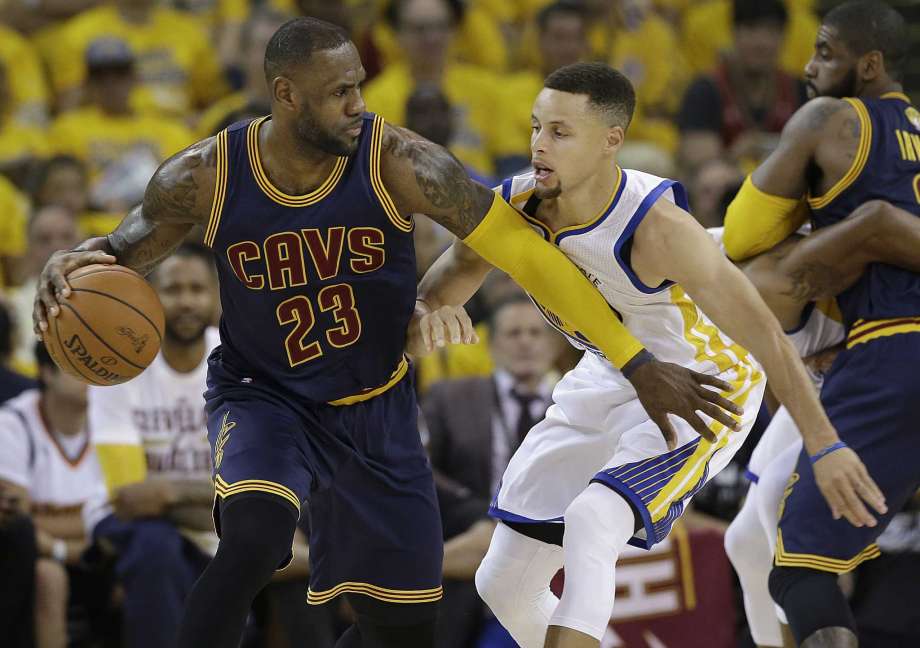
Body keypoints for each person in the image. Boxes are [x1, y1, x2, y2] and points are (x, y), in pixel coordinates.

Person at [33, 18, 735, 648]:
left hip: (378, 405)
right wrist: (67, 267)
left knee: (400, 633)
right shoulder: (206, 175)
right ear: (286, 94)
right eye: (339, 91)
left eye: (359, 86)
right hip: (265, 397)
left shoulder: (400, 160)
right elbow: (117, 253)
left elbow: (523, 253)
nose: (358, 104)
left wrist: (635, 362)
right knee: (255, 539)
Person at [414, 61, 882, 648]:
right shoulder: (517, 202)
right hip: (609, 372)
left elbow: (763, 334)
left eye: (560, 132)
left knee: (593, 519)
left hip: (701, 383)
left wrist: (825, 442)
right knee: (502, 581)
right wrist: (429, 311)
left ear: (612, 140)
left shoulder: (659, 229)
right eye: (536, 127)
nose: (538, 144)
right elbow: (441, 285)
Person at [722, 2, 920, 645]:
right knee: (749, 537)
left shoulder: (832, 120)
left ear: (870, 65)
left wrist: (830, 227)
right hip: (855, 356)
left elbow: (745, 234)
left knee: (799, 571)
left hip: (888, 348)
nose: (808, 68)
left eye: (826, 53)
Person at [423, 294, 559, 648]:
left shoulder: (577, 401)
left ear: (554, 344)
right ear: (493, 346)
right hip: (470, 536)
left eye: (535, 332)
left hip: (555, 546)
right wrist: (481, 514)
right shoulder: (451, 397)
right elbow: (421, 468)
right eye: (513, 334)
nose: (525, 342)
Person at [0, 341, 105, 648]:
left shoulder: (113, 419)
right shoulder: (12, 422)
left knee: (146, 554)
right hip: (33, 559)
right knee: (48, 576)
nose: (94, 373)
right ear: (46, 372)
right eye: (81, 363)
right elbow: (15, 522)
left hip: (99, 554)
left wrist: (46, 521)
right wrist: (71, 544)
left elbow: (122, 513)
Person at [678, 0, 807, 176]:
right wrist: (736, 154)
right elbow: (699, 161)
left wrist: (762, 146)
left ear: (784, 37)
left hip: (785, 187)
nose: (761, 43)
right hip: (727, 189)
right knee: (714, 176)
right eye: (751, 29)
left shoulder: (798, 88)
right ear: (734, 33)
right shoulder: (706, 89)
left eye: (771, 32)